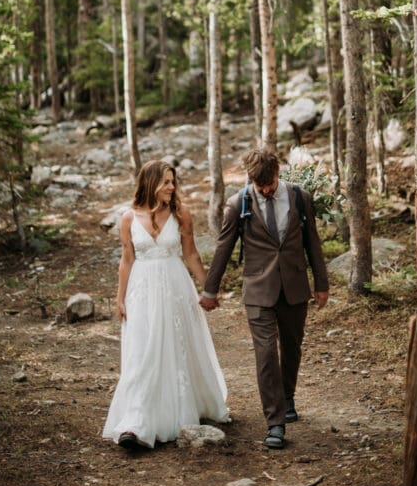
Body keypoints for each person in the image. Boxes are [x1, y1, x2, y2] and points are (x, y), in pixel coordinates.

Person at [200, 147, 329, 450]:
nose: (266, 190)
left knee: (292, 346)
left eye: (270, 183)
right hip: (258, 289)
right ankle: (275, 423)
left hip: (295, 286)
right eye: (260, 186)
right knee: (266, 352)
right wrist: (210, 289)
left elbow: (313, 243)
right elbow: (223, 248)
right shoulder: (238, 203)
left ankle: (287, 397)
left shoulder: (299, 197)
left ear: (278, 173)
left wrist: (321, 283)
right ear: (251, 180)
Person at [103, 160, 229, 449]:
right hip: (141, 292)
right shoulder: (128, 218)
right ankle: (135, 423)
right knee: (141, 352)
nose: (172, 187)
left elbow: (192, 254)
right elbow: (126, 260)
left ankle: (179, 410)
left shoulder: (181, 214)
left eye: (173, 182)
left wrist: (208, 289)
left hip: (175, 289)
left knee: (177, 348)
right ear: (150, 183)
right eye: (166, 182)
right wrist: (120, 298)